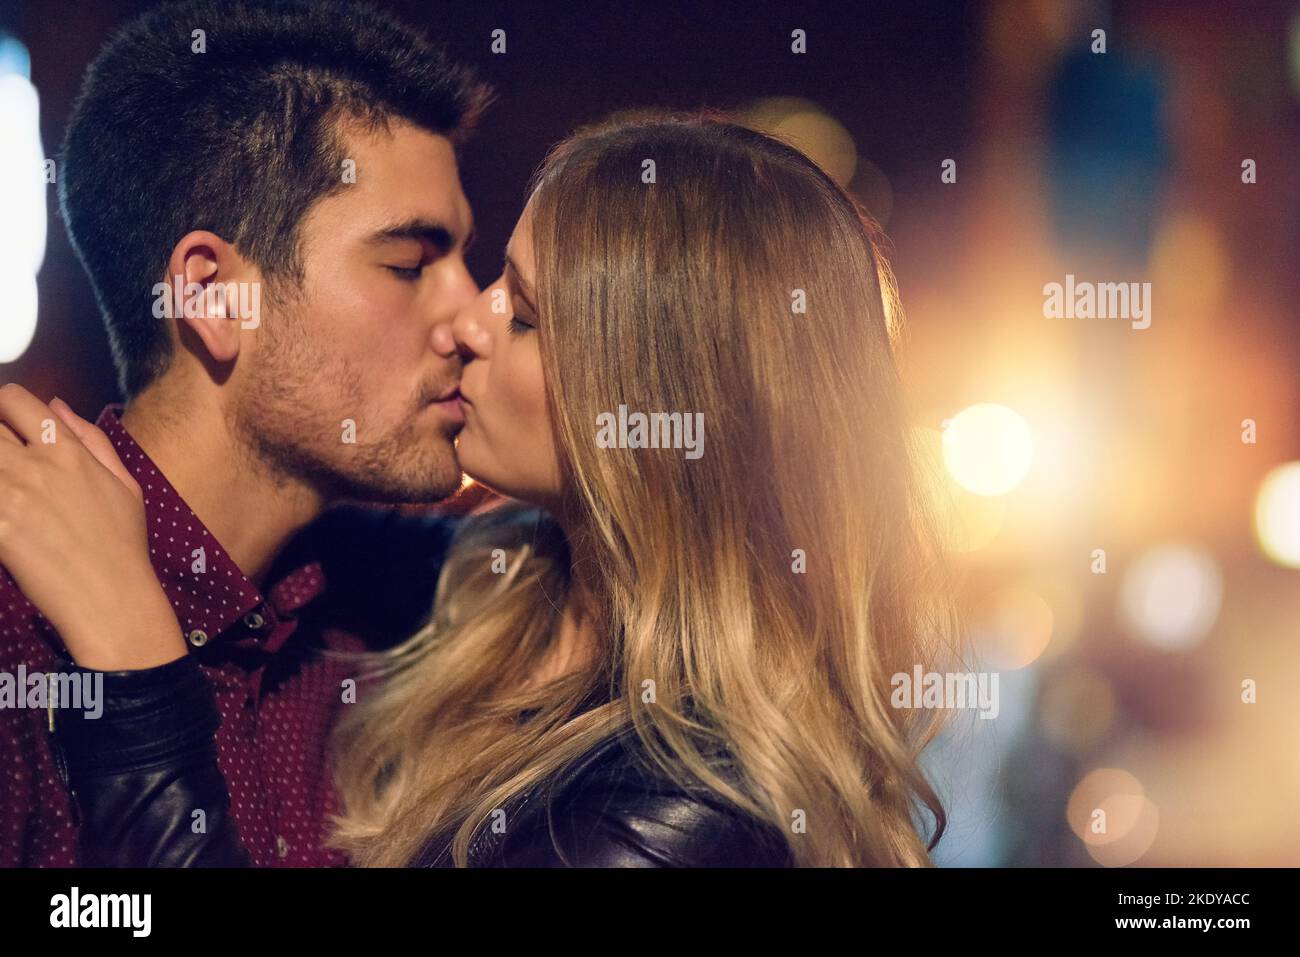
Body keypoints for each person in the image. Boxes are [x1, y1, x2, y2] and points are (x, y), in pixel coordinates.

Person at [2, 112, 963, 867]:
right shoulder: (490, 586)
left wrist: (133, 662)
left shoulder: (683, 817)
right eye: (415, 264)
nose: (469, 319)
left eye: (528, 314)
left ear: (660, 405)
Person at [0, 0, 493, 866]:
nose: (472, 314)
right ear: (215, 295)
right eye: (410, 265)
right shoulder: (19, 635)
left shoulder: (386, 614)